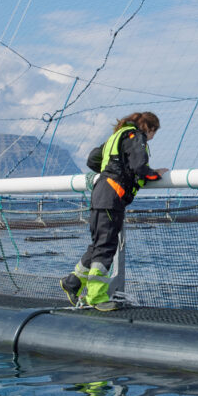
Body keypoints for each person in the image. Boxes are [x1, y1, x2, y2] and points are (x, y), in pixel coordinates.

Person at [61, 112, 168, 310]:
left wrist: (112, 169)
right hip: (112, 198)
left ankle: (73, 282)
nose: (152, 137)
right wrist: (155, 174)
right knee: (106, 247)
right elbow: (139, 167)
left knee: (98, 244)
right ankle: (97, 297)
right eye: (154, 133)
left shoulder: (115, 137)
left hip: (100, 193)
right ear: (149, 128)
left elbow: (93, 160)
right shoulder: (135, 136)